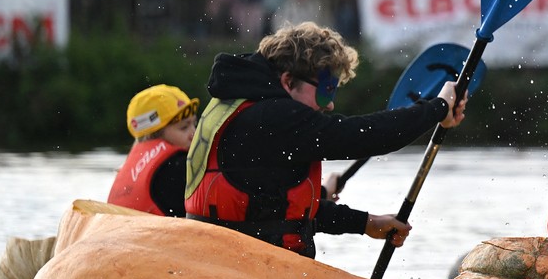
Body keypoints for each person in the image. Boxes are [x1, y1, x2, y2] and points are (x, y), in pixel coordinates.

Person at [184, 21, 466, 257]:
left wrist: (366, 223)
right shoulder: (273, 117)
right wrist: (437, 108)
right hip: (244, 272)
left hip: (223, 259)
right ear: (287, 81)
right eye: (326, 91)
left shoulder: (236, 104)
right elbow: (362, 136)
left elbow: (274, 214)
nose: (329, 105)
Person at [108, 85, 199, 217]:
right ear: (155, 135)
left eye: (194, 124)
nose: (194, 134)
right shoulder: (177, 167)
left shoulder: (125, 168)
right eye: (184, 127)